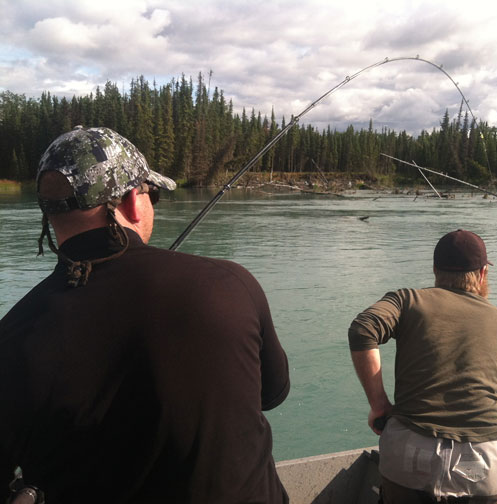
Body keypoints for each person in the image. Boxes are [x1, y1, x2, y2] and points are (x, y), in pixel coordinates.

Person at [0, 126, 290, 503]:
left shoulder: (12, 334)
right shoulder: (231, 283)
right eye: (152, 193)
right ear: (133, 202)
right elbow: (272, 393)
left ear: (50, 217)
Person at [348, 230, 497, 504]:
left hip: (410, 456)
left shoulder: (407, 300)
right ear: (481, 274)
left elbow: (363, 330)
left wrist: (379, 404)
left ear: (435, 270)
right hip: (487, 467)